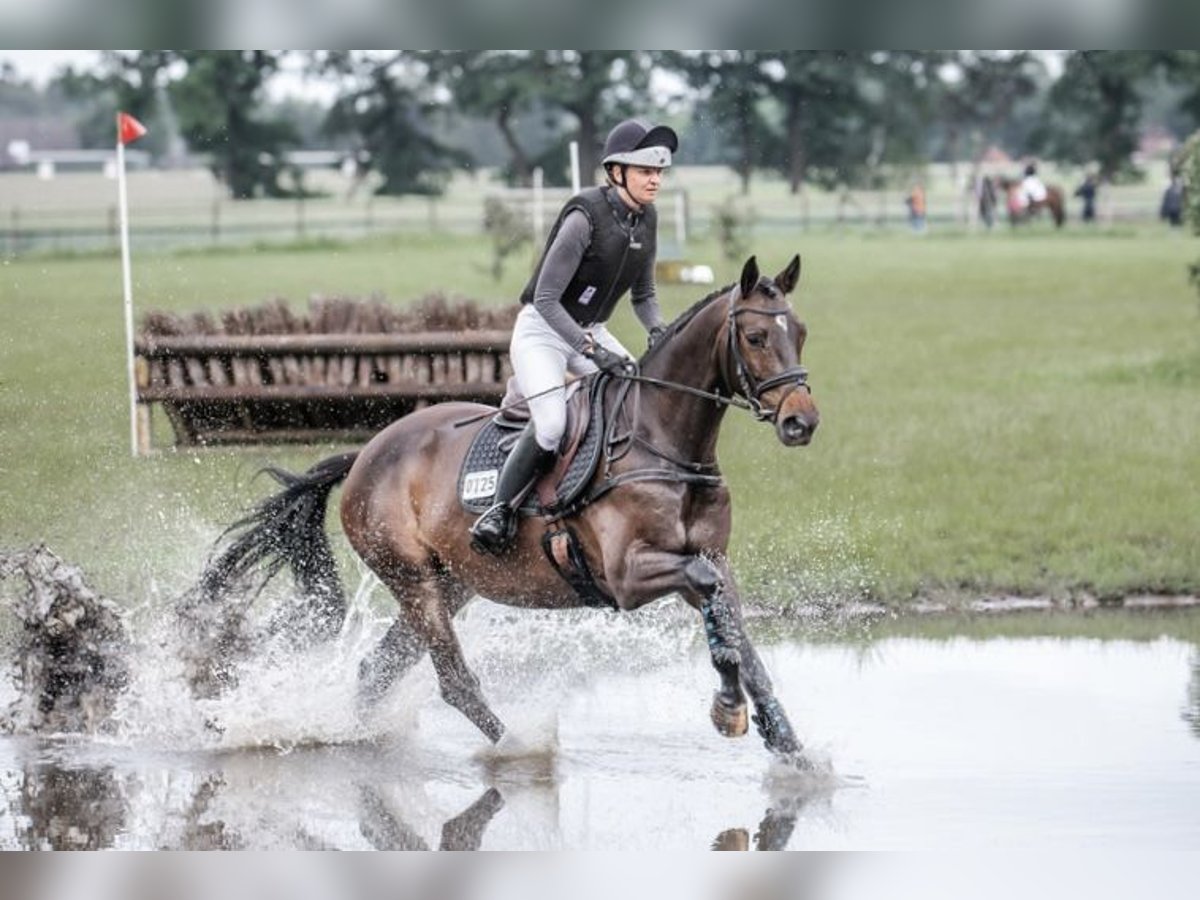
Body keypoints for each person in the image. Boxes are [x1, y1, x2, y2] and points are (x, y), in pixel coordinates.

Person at [469, 118, 676, 556]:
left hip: (590, 330)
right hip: (543, 332)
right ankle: (499, 512)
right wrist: (592, 351)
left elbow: (645, 294)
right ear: (617, 172)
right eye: (645, 171)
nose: (655, 179)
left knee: (637, 397)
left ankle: (610, 494)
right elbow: (546, 299)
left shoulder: (646, 220)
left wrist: (657, 328)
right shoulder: (585, 218)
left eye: (658, 171)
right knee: (550, 425)